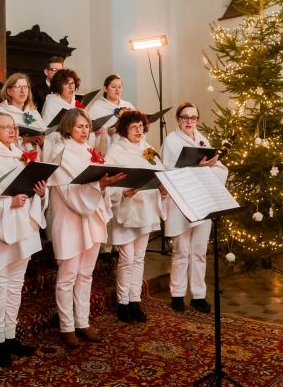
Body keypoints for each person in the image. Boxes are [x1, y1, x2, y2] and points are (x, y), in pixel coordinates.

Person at [0, 112, 47, 366]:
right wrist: (8, 202)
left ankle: (11, 335)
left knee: (15, 285)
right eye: (6, 127)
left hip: (22, 226)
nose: (12, 131)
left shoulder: (19, 155)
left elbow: (28, 189)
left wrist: (39, 193)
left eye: (14, 127)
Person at [48, 109, 126, 348]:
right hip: (70, 219)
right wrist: (98, 184)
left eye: (87, 126)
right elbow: (69, 193)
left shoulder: (90, 152)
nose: (85, 130)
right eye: (80, 126)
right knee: (68, 276)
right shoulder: (60, 154)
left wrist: (104, 186)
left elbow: (97, 188)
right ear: (68, 127)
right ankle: (66, 326)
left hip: (92, 218)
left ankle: (83, 321)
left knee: (86, 274)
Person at [160, 102, 227, 313]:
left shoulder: (202, 139)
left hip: (201, 200)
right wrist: (195, 167)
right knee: (181, 250)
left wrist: (212, 164)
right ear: (178, 119)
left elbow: (216, 167)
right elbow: (167, 172)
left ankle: (198, 295)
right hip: (181, 201)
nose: (189, 121)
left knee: (199, 250)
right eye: (185, 117)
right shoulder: (171, 141)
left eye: (193, 118)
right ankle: (177, 294)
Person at [104, 110, 166, 323]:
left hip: (146, 210)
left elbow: (160, 174)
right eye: (134, 127)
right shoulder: (115, 151)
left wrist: (164, 189)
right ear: (124, 130)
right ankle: (123, 303)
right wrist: (123, 192)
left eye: (141, 126)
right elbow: (109, 182)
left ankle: (135, 300)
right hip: (127, 210)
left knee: (139, 258)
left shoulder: (148, 149)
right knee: (127, 259)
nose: (139, 130)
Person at [0, 72, 46, 151]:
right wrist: (22, 140)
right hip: (12, 158)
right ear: (9, 91)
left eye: (25, 87)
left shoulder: (32, 111)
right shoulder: (0, 111)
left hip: (35, 157)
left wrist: (41, 143)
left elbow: (44, 134)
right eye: (18, 87)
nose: (23, 91)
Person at [41, 67, 82, 163]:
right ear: (59, 86)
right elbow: (47, 131)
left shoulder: (74, 102)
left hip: (74, 144)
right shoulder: (51, 101)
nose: (71, 87)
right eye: (66, 84)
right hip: (56, 145)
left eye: (72, 83)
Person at [86, 73, 132, 155]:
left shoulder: (128, 106)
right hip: (106, 151)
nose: (117, 90)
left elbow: (138, 127)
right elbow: (88, 132)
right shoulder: (97, 107)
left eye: (119, 87)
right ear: (105, 89)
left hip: (127, 150)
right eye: (114, 87)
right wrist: (106, 133)